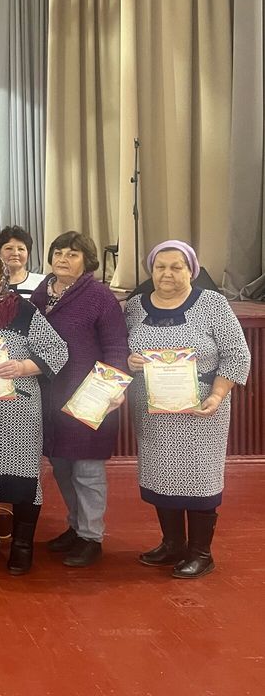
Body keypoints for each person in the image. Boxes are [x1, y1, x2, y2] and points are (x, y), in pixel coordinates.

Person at [125, 241, 251, 578]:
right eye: (160, 267)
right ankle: (172, 544)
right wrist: (128, 359)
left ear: (191, 270)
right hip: (153, 411)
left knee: (199, 478)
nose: (167, 273)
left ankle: (201, 553)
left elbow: (237, 355)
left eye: (176, 267)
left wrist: (218, 395)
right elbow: (120, 347)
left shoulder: (212, 304)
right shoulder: (135, 306)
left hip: (202, 410)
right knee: (160, 474)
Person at [0, 250, 68, 575]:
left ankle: (21, 546)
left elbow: (58, 350)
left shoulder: (23, 310)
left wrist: (22, 367)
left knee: (22, 477)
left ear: (3, 276)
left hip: (18, 411)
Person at [30, 232, 129, 567]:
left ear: (87, 261)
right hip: (50, 398)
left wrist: (114, 388)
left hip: (90, 396)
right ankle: (75, 527)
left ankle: (91, 537)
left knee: (87, 471)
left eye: (72, 254)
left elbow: (116, 347)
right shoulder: (41, 293)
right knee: (61, 467)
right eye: (58, 252)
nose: (63, 258)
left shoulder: (100, 296)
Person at [0, 226, 45, 297]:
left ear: (28, 254)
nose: (15, 253)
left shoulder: (42, 283)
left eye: (21, 249)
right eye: (9, 248)